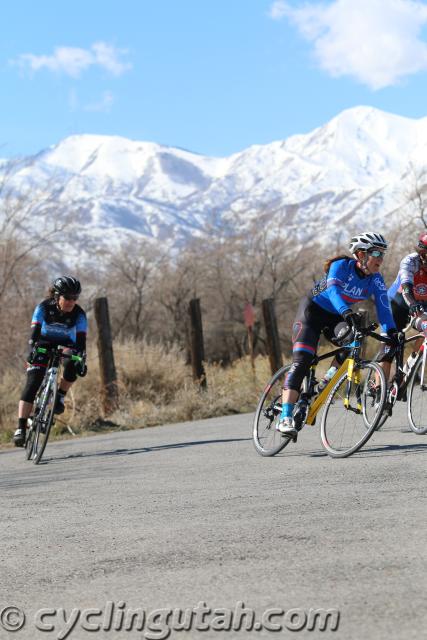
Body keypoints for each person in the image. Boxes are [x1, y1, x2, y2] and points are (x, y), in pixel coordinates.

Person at [277, 232, 398, 439]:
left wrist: (392, 332)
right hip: (312, 313)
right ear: (360, 254)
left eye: (382, 254)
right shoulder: (341, 266)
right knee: (303, 360)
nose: (380, 258)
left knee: (353, 343)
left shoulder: (376, 279)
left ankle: (325, 382)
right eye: (376, 253)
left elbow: (384, 308)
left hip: (336, 316)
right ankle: (285, 417)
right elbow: (333, 291)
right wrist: (346, 311)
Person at [13, 276, 88, 447]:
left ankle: (60, 395)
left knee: (72, 362)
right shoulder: (43, 307)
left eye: (75, 298)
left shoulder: (79, 314)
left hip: (66, 344)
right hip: (43, 343)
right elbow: (35, 332)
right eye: (67, 297)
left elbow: (81, 341)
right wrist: (32, 350)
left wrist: (82, 360)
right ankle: (21, 428)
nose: (71, 301)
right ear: (56, 296)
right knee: (33, 383)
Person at [379, 231, 427, 379]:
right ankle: (378, 388)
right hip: (397, 303)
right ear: (422, 252)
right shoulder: (410, 261)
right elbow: (406, 287)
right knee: (388, 348)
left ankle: (409, 368)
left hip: (421, 304)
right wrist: (412, 303)